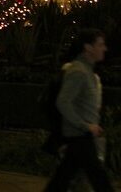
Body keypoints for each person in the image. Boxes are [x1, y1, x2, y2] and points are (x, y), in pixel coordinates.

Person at [45, 28, 114, 192]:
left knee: (61, 180)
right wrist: (85, 125)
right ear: (88, 47)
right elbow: (63, 102)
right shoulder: (78, 71)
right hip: (80, 136)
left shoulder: (87, 71)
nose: (104, 48)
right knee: (99, 179)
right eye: (100, 44)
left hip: (81, 137)